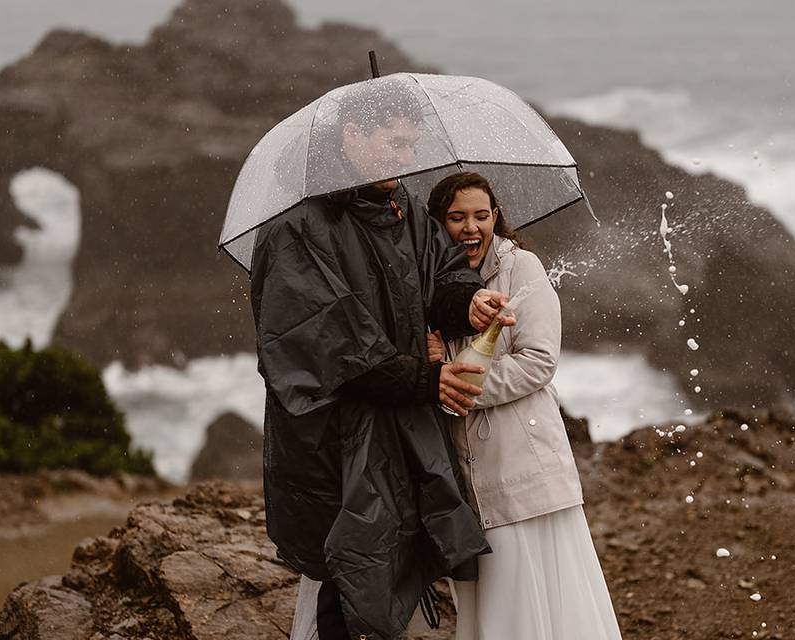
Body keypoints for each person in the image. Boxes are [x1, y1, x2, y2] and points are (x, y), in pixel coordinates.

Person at [250, 85, 513, 639]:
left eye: (412, 142)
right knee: (351, 559)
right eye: (395, 141)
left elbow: (441, 276)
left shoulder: (407, 211)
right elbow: (328, 344)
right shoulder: (296, 228)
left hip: (403, 418)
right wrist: (425, 377)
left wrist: (467, 302)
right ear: (353, 137)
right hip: (338, 433)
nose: (406, 155)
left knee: (399, 547)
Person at [427, 172, 625, 639]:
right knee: (493, 605)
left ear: (496, 216)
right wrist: (432, 363)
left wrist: (460, 385)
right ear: (438, 224)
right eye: (456, 217)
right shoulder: (431, 286)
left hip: (525, 469)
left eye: (481, 215)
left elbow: (539, 361)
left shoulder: (524, 269)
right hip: (467, 475)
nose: (470, 227)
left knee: (541, 602)